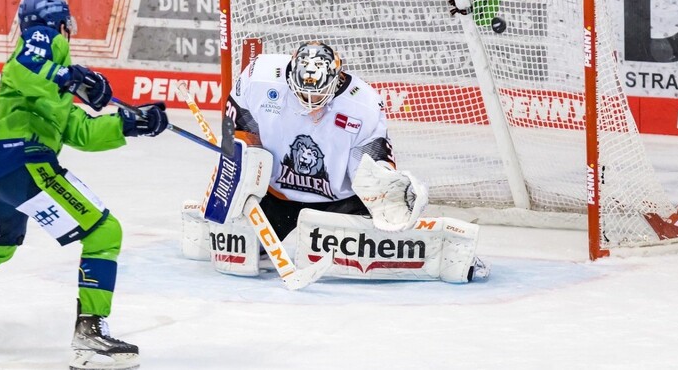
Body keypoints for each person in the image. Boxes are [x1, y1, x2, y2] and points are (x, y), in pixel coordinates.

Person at [0, 0, 168, 369]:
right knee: (105, 232)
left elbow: (77, 131)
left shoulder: (43, 86)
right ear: (61, 22)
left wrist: (131, 124)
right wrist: (67, 75)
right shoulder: (47, 39)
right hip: (22, 161)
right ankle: (90, 335)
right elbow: (22, 66)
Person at [183, 41, 489, 283]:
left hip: (339, 202)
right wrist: (246, 159)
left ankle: (446, 249)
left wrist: (385, 185)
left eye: (318, 96)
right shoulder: (260, 77)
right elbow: (239, 116)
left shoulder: (363, 104)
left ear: (337, 79)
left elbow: (369, 162)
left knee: (386, 253)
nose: (310, 103)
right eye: (302, 93)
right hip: (276, 195)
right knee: (233, 257)